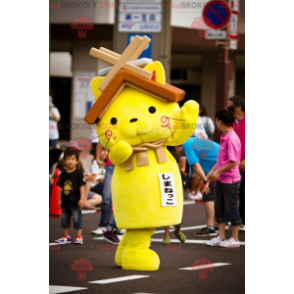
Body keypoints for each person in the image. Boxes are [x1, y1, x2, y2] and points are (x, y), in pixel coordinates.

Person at [204, 106, 242, 248]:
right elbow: (221, 159)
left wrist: (218, 172)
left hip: (230, 180)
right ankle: (221, 236)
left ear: (220, 122)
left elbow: (234, 162)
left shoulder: (231, 139)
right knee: (219, 207)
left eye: (216, 120)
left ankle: (235, 239)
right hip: (221, 179)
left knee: (231, 208)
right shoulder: (224, 137)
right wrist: (213, 170)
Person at [174, 138, 220, 236]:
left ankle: (211, 227)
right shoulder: (191, 140)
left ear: (177, 147)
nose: (181, 156)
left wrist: (205, 181)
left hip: (218, 165)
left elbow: (196, 166)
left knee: (208, 195)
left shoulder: (186, 145)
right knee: (215, 196)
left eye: (179, 154)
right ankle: (215, 225)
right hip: (219, 162)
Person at [91, 142, 123, 244]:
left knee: (124, 197)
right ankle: (103, 225)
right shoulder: (111, 126)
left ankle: (119, 225)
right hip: (111, 165)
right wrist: (97, 158)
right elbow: (101, 141)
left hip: (128, 164)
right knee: (107, 196)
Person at [55, 147, 86, 245]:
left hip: (76, 201)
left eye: (73, 159)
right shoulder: (63, 174)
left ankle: (79, 236)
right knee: (65, 219)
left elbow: (82, 186)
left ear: (77, 161)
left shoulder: (78, 173)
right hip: (65, 201)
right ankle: (66, 236)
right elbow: (60, 187)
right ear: (64, 161)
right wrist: (59, 199)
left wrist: (82, 198)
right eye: (68, 159)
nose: (70, 161)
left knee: (77, 219)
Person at [162, 151, 187, 245]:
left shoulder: (179, 172)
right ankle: (166, 236)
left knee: (178, 219)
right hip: (167, 195)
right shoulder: (164, 171)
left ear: (178, 163)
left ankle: (177, 231)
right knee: (167, 216)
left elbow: (182, 187)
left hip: (177, 197)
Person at [229, 95, 245, 232]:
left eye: (231, 106)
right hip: (232, 165)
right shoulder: (230, 122)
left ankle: (243, 220)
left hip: (244, 165)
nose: (229, 109)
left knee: (244, 193)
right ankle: (235, 219)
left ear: (238, 107)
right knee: (232, 193)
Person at [49, 95, 61, 174]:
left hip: (53, 136)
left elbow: (57, 119)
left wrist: (51, 110)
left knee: (52, 156)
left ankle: (50, 174)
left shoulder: (55, 109)